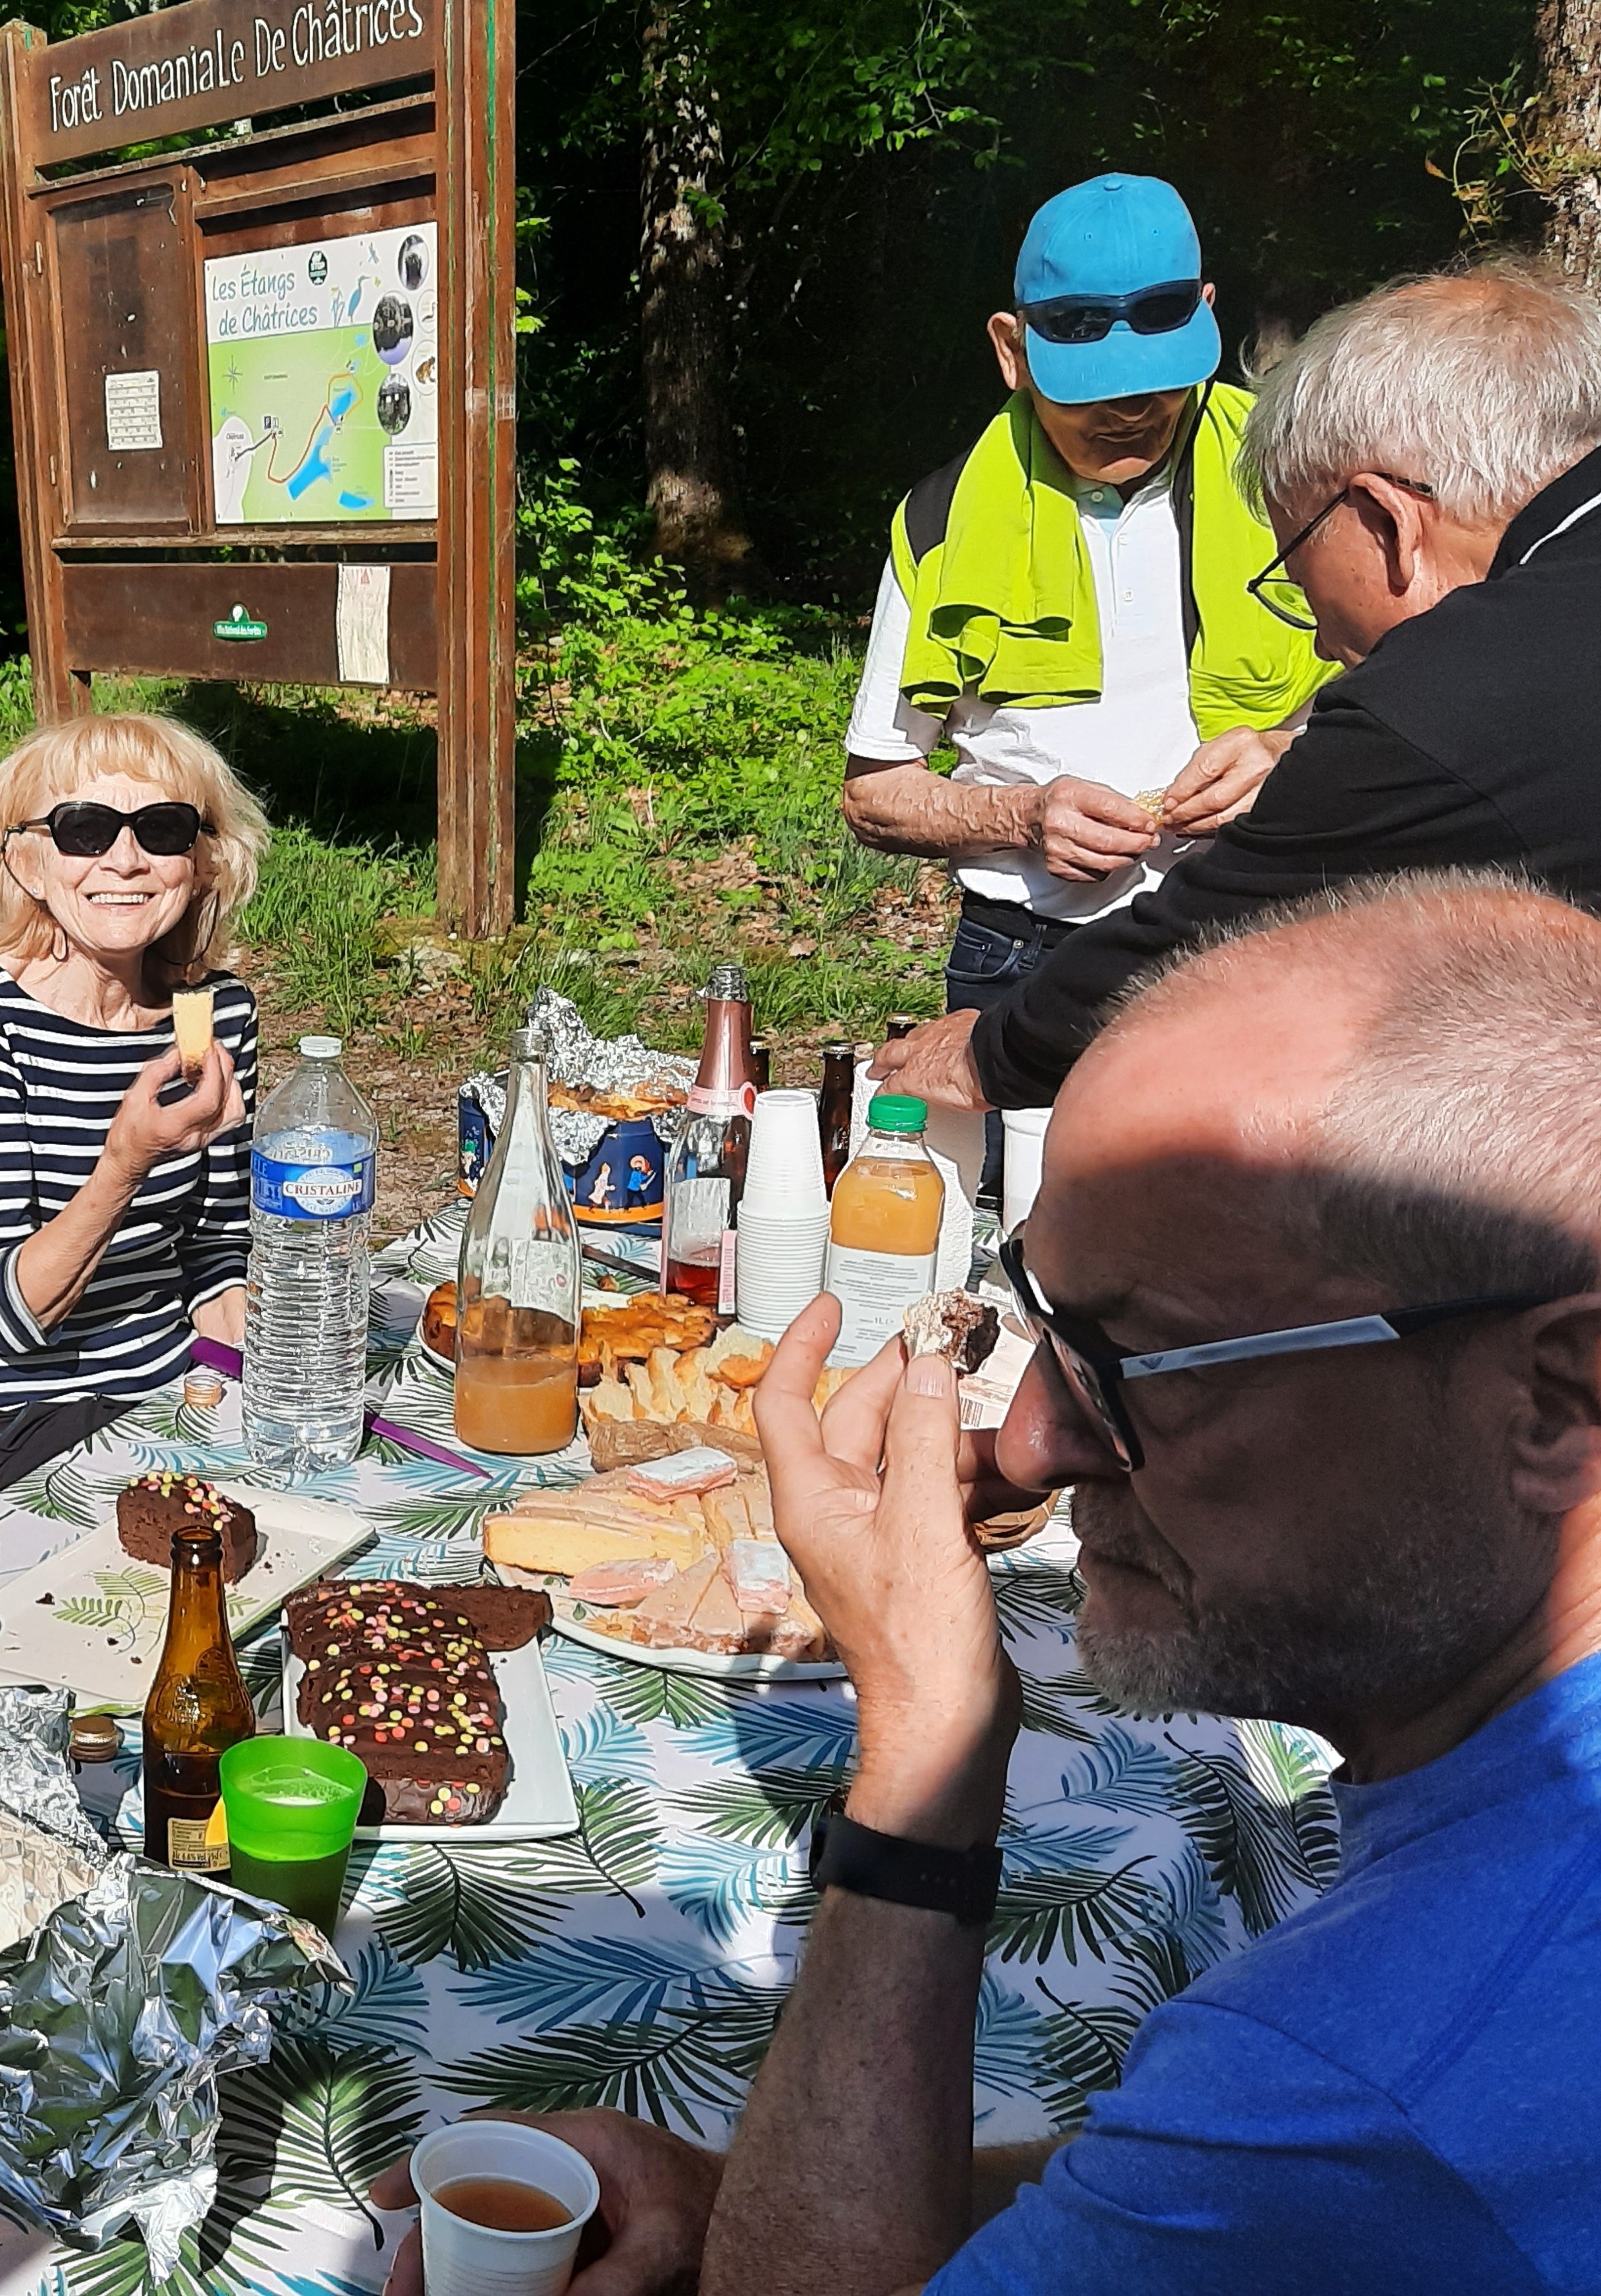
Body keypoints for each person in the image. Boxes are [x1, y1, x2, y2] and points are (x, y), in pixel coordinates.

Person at [375, 874, 1601, 2294]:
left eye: (1142, 1360)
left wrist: (924, 1756)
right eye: (1048, 1326)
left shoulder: (1384, 2055)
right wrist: (750, 2192)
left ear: (1562, 1396)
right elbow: (1215, 2196)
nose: (1032, 1442)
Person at [878, 256, 1601, 1120]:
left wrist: (988, 1053)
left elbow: (1208, 934)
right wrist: (1024, 816)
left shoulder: (1450, 693)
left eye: (1299, 580)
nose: (1331, 646)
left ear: (1387, 521)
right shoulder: (942, 515)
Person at [838, 173, 1326, 1215]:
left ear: (1204, 315)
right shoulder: (937, 520)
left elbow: (1427, 697)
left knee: (1238, 1259)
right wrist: (1022, 817)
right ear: (1011, 351)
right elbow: (875, 787)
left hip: (1261, 938)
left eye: (1154, 385)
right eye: (1086, 389)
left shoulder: (1299, 476)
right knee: (1017, 1252)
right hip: (1021, 963)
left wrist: (1290, 755)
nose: (1126, 414)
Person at [0, 713, 269, 1518]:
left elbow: (215, 1244)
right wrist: (125, 1162)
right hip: (18, 1408)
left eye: (162, 828)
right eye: (83, 829)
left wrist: (263, 1378)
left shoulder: (213, 1014)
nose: (125, 859)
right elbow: (6, 1320)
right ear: (28, 862)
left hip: (173, 1379)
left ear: (204, 860)